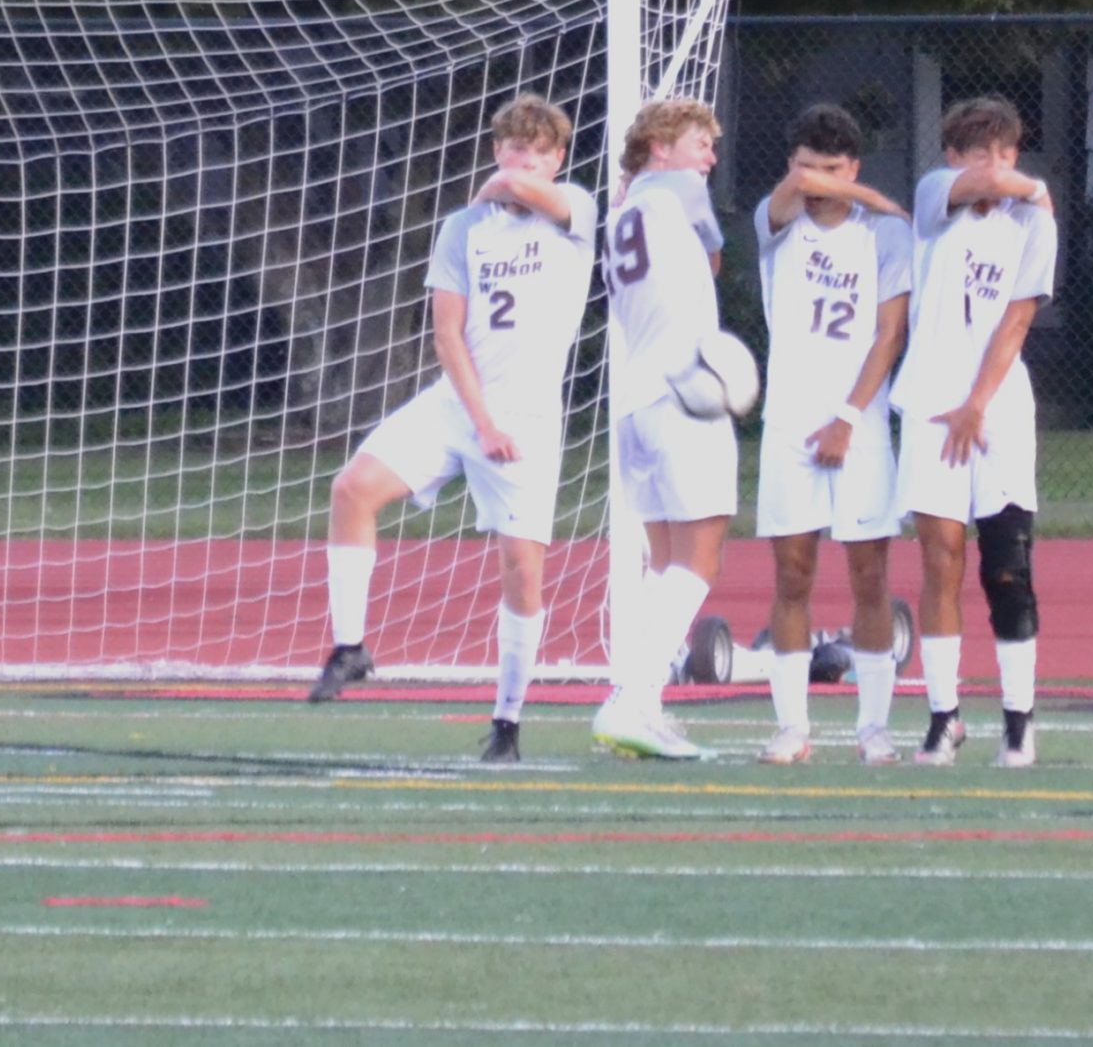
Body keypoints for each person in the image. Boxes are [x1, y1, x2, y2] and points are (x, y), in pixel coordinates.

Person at [309, 96, 599, 763]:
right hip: (460, 403)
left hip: (526, 417)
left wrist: (507, 182)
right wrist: (480, 419)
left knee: (522, 569)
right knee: (352, 488)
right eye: (512, 146)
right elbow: (446, 331)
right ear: (496, 149)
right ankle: (350, 648)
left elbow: (524, 191)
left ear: (558, 159)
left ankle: (508, 721)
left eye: (538, 150)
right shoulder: (464, 227)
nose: (523, 159)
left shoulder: (575, 211)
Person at [887, 96, 1057, 768]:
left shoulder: (1035, 223)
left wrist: (978, 404)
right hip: (931, 401)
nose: (994, 165)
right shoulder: (936, 195)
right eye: (978, 151)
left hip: (999, 408)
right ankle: (943, 717)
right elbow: (985, 187)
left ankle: (1019, 721)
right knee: (939, 559)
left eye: (1006, 151)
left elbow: (1016, 322)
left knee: (1007, 566)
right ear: (953, 156)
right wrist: (1027, 183)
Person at [751, 104, 914, 765]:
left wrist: (847, 417)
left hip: (860, 421)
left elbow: (889, 334)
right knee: (792, 573)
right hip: (790, 419)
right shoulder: (778, 219)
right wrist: (847, 186)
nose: (816, 179)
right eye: (806, 165)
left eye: (833, 169)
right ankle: (793, 727)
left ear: (854, 167)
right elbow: (787, 198)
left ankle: (874, 726)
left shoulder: (885, 233)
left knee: (870, 575)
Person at [591, 96, 733, 761]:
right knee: (700, 557)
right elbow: (713, 263)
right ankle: (632, 698)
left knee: (667, 560)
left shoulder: (622, 209)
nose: (709, 153)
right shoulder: (677, 189)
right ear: (659, 148)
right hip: (683, 392)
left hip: (636, 398)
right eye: (698, 140)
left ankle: (638, 700)